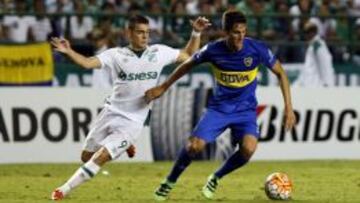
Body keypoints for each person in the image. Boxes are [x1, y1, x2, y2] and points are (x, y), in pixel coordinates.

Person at [50, 14, 210, 200]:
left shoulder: (159, 52)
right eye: (140, 32)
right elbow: (87, 63)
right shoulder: (116, 55)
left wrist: (196, 32)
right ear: (129, 33)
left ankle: (63, 190)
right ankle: (126, 145)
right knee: (86, 157)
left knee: (101, 157)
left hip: (134, 120)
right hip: (111, 111)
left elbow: (188, 55)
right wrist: (69, 52)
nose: (145, 36)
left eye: (147, 33)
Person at [145, 10, 296, 201]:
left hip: (245, 111)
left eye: (243, 31)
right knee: (194, 147)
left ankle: (216, 177)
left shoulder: (256, 49)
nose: (240, 37)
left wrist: (289, 108)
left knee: (248, 149)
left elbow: (281, 73)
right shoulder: (212, 50)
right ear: (225, 32)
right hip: (219, 109)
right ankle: (169, 181)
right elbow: (186, 65)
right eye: (235, 32)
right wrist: (163, 87)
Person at [294, 21, 335, 87]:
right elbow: (307, 67)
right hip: (308, 82)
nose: (309, 34)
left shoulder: (317, 44)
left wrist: (328, 83)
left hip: (315, 84)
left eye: (311, 31)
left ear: (315, 32)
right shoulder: (312, 45)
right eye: (307, 32)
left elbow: (325, 63)